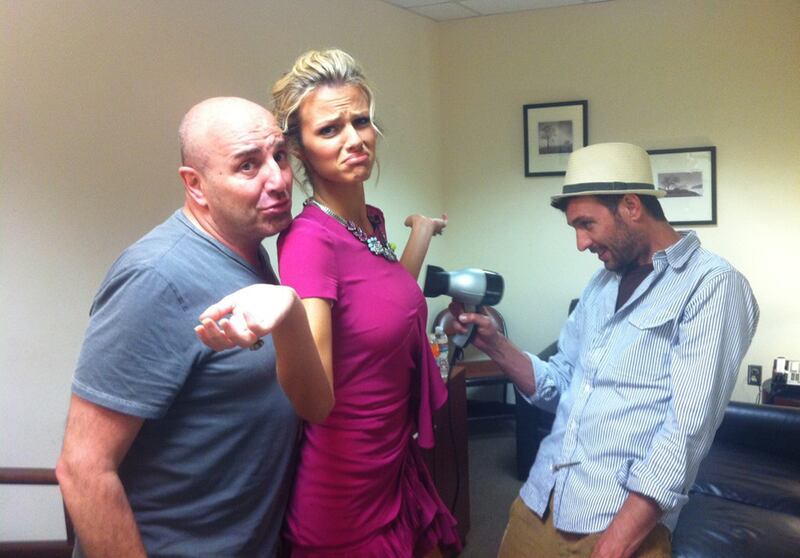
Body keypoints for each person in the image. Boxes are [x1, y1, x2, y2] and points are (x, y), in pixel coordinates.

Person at [196, 49, 461, 557]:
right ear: (298, 149)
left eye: (360, 121)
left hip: (392, 457)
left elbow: (388, 302)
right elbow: (315, 403)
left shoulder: (372, 221)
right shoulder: (309, 241)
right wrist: (289, 314)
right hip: (346, 481)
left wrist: (422, 233)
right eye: (329, 130)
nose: (354, 139)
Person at [451, 142, 759, 558]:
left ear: (631, 206)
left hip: (617, 523)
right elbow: (560, 384)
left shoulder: (712, 286)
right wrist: (494, 344)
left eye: (587, 224)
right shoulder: (600, 285)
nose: (581, 243)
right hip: (540, 499)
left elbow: (685, 432)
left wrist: (616, 542)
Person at [56, 97, 333, 557]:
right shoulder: (155, 276)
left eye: (279, 156)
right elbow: (83, 468)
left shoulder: (250, 253)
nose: (278, 180)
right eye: (248, 166)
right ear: (196, 185)